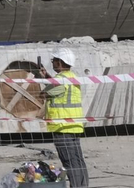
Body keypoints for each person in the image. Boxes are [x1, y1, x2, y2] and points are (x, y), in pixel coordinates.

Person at [43, 50, 88, 188]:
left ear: (60, 62)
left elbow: (45, 92)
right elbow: (57, 89)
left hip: (62, 126)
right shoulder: (72, 77)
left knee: (69, 160)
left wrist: (44, 79)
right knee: (78, 160)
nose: (52, 62)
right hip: (74, 126)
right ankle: (82, 185)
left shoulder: (60, 79)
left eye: (54, 60)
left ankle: (75, 186)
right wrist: (47, 76)